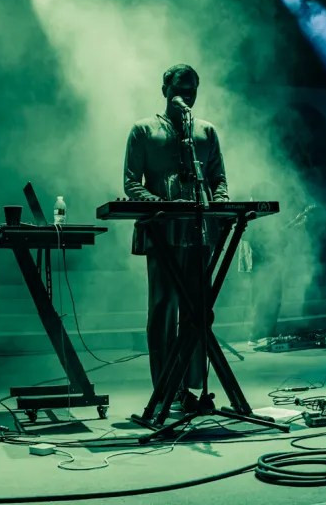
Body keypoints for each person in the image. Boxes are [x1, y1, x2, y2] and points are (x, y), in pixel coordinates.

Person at [123, 64, 229, 413]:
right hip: (163, 233)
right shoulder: (143, 130)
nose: (188, 95)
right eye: (181, 88)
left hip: (200, 232)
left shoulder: (206, 131)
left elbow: (219, 180)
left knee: (198, 311)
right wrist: (163, 204)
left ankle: (193, 389)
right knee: (163, 311)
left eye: (194, 89)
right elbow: (131, 184)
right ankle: (167, 388)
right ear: (165, 89)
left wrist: (223, 208)